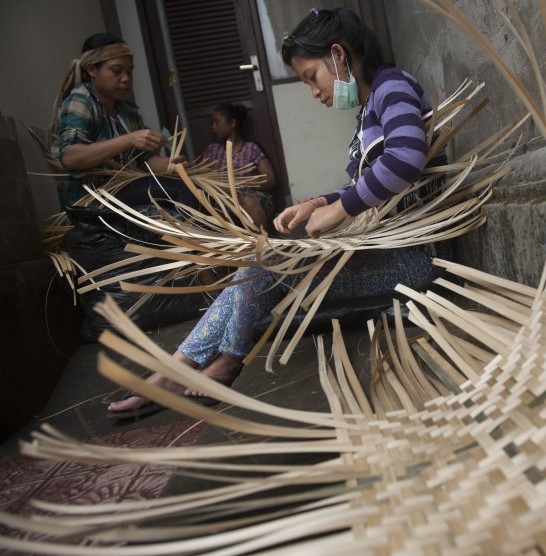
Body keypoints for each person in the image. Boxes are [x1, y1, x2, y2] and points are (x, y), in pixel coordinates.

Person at [107, 7, 445, 419]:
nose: (315, 92)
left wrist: (341, 208)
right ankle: (181, 368)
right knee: (261, 258)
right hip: (388, 252)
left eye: (311, 78)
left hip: (412, 261)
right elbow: (371, 180)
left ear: (338, 55)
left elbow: (407, 158)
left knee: (266, 260)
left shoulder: (392, 85)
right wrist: (320, 201)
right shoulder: (370, 107)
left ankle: (218, 362)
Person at [49, 33, 195, 211]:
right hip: (94, 199)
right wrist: (129, 139)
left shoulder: (126, 111)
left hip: (125, 189)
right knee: (179, 191)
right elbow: (71, 157)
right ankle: (198, 238)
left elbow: (143, 161)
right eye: (117, 71)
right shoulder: (80, 102)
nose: (126, 78)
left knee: (193, 185)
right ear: (92, 70)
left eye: (129, 71)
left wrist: (169, 165)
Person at [201, 103, 278, 232]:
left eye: (217, 122)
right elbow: (200, 177)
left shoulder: (251, 148)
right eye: (212, 123)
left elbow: (270, 179)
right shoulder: (212, 150)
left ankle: (262, 246)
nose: (213, 127)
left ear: (232, 123)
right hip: (221, 198)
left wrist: (242, 183)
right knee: (217, 207)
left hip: (249, 195)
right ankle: (234, 250)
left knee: (249, 202)